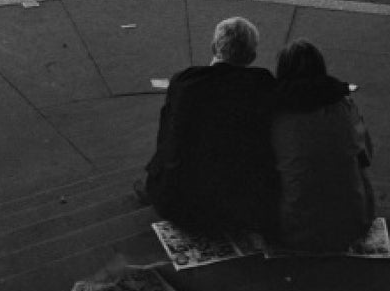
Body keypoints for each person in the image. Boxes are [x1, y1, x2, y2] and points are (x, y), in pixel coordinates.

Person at [144, 17, 278, 234]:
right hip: (240, 206)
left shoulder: (185, 82)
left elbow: (167, 138)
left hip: (177, 201)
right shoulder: (262, 84)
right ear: (252, 56)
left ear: (214, 47)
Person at [271, 39, 375, 253]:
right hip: (353, 223)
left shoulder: (275, 112)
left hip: (294, 230)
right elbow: (366, 155)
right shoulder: (345, 106)